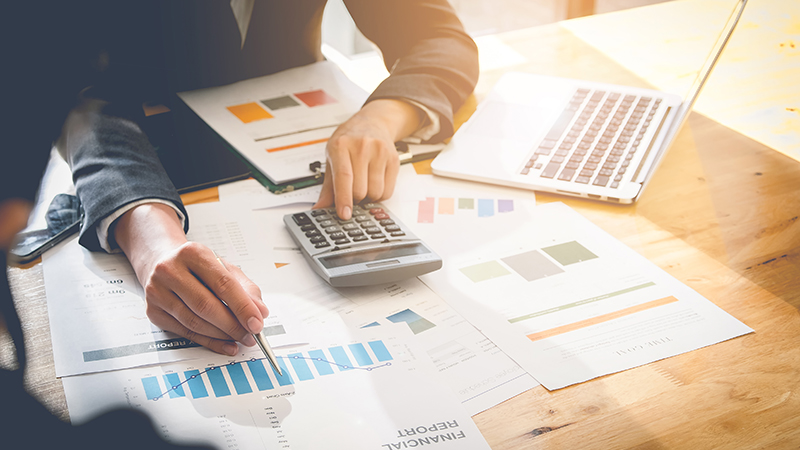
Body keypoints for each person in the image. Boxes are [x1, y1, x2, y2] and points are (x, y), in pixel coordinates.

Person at [46, 1, 479, 356]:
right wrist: (151, 241)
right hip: (153, 159)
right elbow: (72, 93)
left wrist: (382, 117)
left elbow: (437, 36)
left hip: (298, 142)